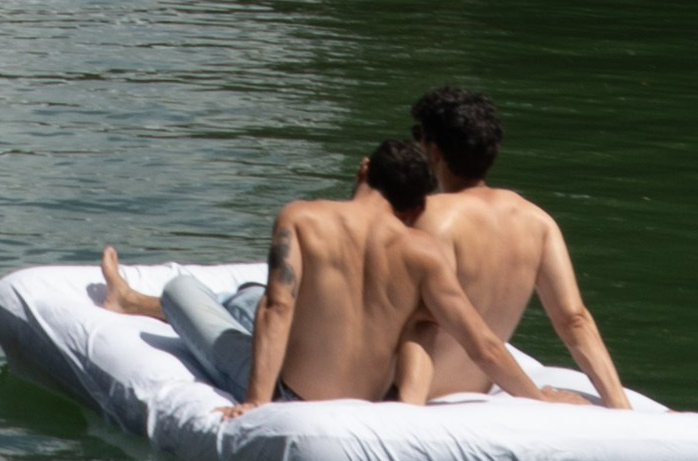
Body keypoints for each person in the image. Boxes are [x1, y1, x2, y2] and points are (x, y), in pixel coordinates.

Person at [100, 139, 550, 407]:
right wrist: (537, 400)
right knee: (248, 297)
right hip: (372, 398)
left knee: (183, 288)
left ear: (364, 169)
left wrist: (257, 402)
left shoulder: (302, 218)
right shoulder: (424, 251)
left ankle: (131, 300)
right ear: (414, 205)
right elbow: (484, 344)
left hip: (290, 394)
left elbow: (279, 309)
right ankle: (198, 301)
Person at [393, 84, 631, 410]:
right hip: (478, 389)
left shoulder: (431, 217)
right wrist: (620, 408)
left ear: (434, 152)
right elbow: (574, 320)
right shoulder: (538, 221)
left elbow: (406, 320)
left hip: (415, 396)